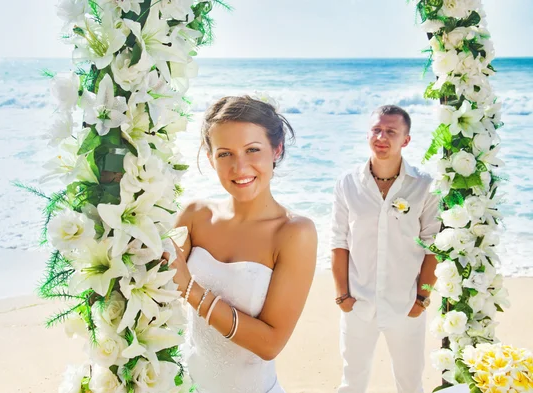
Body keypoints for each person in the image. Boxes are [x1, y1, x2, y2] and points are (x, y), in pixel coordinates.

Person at [165, 95, 317, 393]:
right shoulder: (194, 216)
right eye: (225, 154)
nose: (240, 166)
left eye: (252, 150)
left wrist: (191, 290)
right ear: (210, 159)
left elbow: (270, 344)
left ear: (277, 149)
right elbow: (155, 280)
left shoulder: (294, 233)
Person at [330, 105, 440, 393]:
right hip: (358, 303)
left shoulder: (424, 186)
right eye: (376, 130)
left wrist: (422, 299)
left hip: (406, 305)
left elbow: (433, 248)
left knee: (410, 384)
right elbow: (339, 242)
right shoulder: (347, 183)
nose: (382, 137)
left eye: (391, 131)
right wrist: (342, 296)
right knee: (351, 383)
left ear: (406, 140)